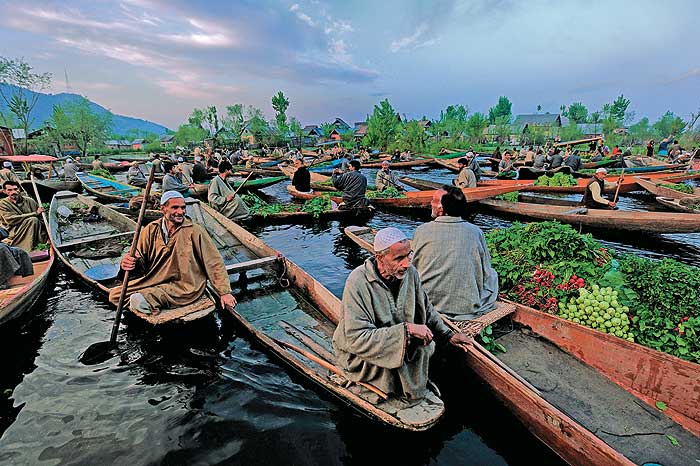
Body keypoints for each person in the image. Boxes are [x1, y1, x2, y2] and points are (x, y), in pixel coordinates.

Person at [332, 227, 472, 405]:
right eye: (399, 258)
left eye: (408, 256)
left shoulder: (410, 273)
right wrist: (406, 330)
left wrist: (448, 335)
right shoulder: (358, 282)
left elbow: (426, 309)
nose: (406, 263)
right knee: (398, 364)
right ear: (380, 258)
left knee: (425, 347)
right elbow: (357, 338)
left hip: (401, 344)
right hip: (366, 355)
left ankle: (411, 384)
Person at [110, 190, 236, 315]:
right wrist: (127, 262)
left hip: (185, 286)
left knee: (138, 300)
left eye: (183, 208)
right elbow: (138, 255)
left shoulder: (195, 231)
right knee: (115, 295)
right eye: (175, 207)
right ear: (163, 209)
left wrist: (224, 292)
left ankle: (156, 307)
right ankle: (157, 301)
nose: (180, 212)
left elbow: (213, 262)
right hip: (154, 280)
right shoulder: (151, 229)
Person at [413, 186, 499, 320]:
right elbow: (485, 271)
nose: (431, 203)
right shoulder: (476, 232)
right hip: (466, 308)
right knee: (492, 275)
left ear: (441, 209)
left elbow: (413, 267)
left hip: (428, 305)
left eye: (434, 201)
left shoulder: (422, 230)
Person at [0, 180, 47, 251]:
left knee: (36, 221)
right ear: (5, 191)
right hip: (13, 230)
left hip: (34, 228)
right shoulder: (3, 204)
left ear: (19, 189)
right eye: (9, 190)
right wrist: (34, 213)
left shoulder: (30, 201)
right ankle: (25, 248)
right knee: (33, 220)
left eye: (15, 189)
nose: (13, 192)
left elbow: (41, 217)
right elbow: (10, 220)